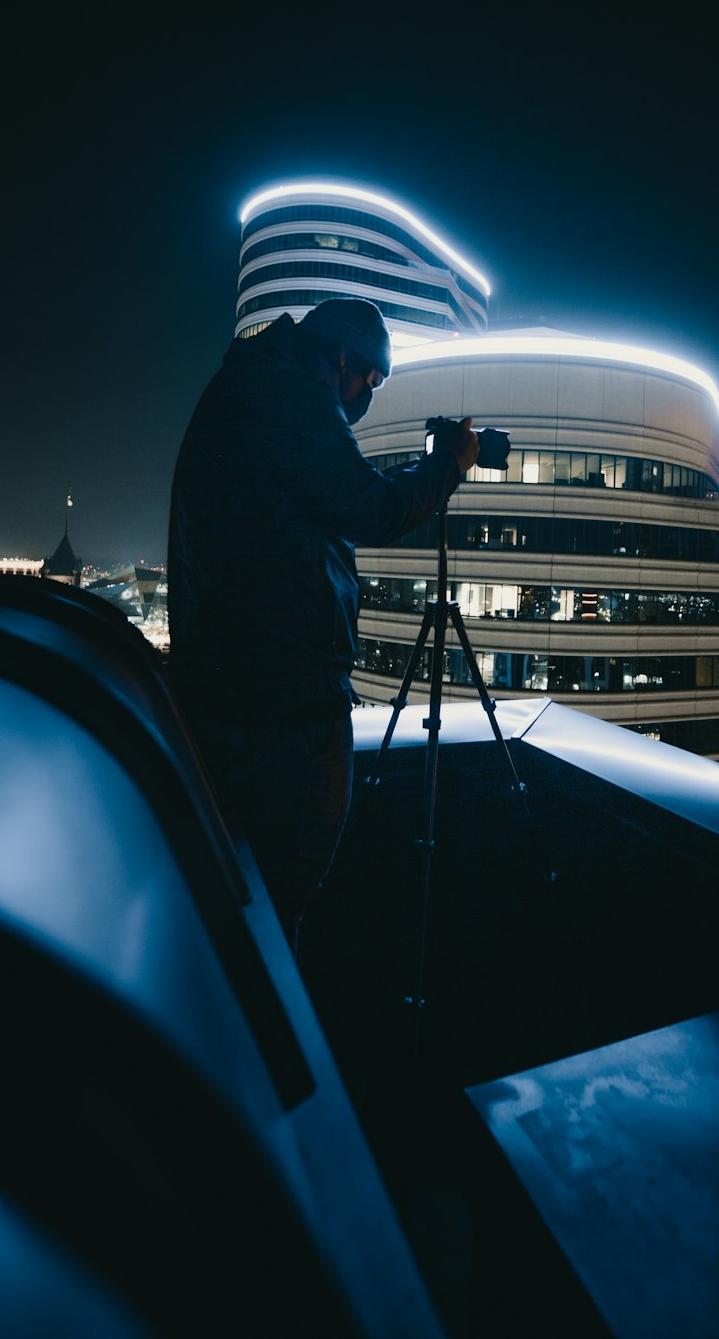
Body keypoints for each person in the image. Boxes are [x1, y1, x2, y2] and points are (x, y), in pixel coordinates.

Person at [167, 298, 479, 952]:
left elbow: (333, 494)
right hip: (284, 706)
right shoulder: (288, 390)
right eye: (370, 382)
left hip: (230, 690)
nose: (366, 399)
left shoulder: (250, 384)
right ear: (344, 360)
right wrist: (448, 464)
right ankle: (265, 1039)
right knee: (277, 906)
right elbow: (366, 506)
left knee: (232, 903)